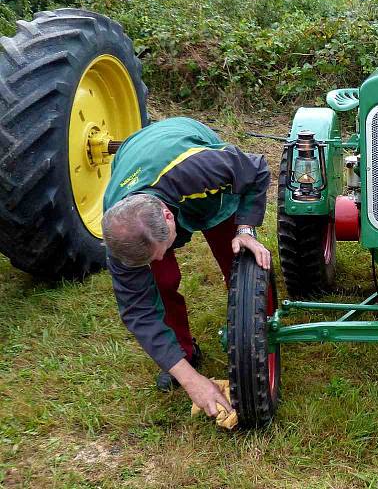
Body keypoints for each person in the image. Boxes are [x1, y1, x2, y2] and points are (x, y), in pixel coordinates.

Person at [101, 117, 271, 418]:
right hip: (135, 155)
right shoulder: (120, 232)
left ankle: (263, 325)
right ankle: (185, 354)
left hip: (186, 163)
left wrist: (245, 230)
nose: (155, 261)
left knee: (236, 260)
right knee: (162, 281)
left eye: (158, 251)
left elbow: (256, 168)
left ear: (168, 217)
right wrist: (191, 381)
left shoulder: (199, 170)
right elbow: (138, 311)